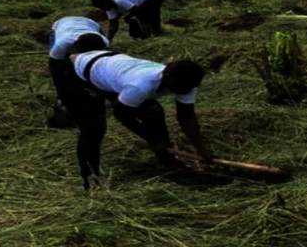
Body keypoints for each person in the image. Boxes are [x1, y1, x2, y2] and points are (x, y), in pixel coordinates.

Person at [71, 51, 213, 168]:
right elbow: (121, 113)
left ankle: (167, 162)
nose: (189, 90)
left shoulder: (187, 84)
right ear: (168, 77)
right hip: (80, 70)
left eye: (193, 86)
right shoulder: (141, 85)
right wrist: (153, 140)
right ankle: (91, 177)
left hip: (113, 68)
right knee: (93, 127)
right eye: (186, 86)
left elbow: (187, 117)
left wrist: (201, 149)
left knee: (153, 113)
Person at [47, 17, 111, 190]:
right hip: (62, 25)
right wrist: (64, 92)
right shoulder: (61, 45)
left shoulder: (104, 43)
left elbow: (101, 66)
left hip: (90, 24)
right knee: (91, 126)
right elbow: (54, 66)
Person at [91, 0, 167, 41]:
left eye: (103, 5)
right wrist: (108, 40)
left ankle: (147, 39)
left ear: (108, 0)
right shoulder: (110, 9)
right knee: (151, 12)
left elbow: (137, 10)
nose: (103, 9)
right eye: (100, 7)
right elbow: (113, 26)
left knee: (145, 15)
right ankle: (157, 34)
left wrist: (128, 16)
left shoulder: (119, 0)